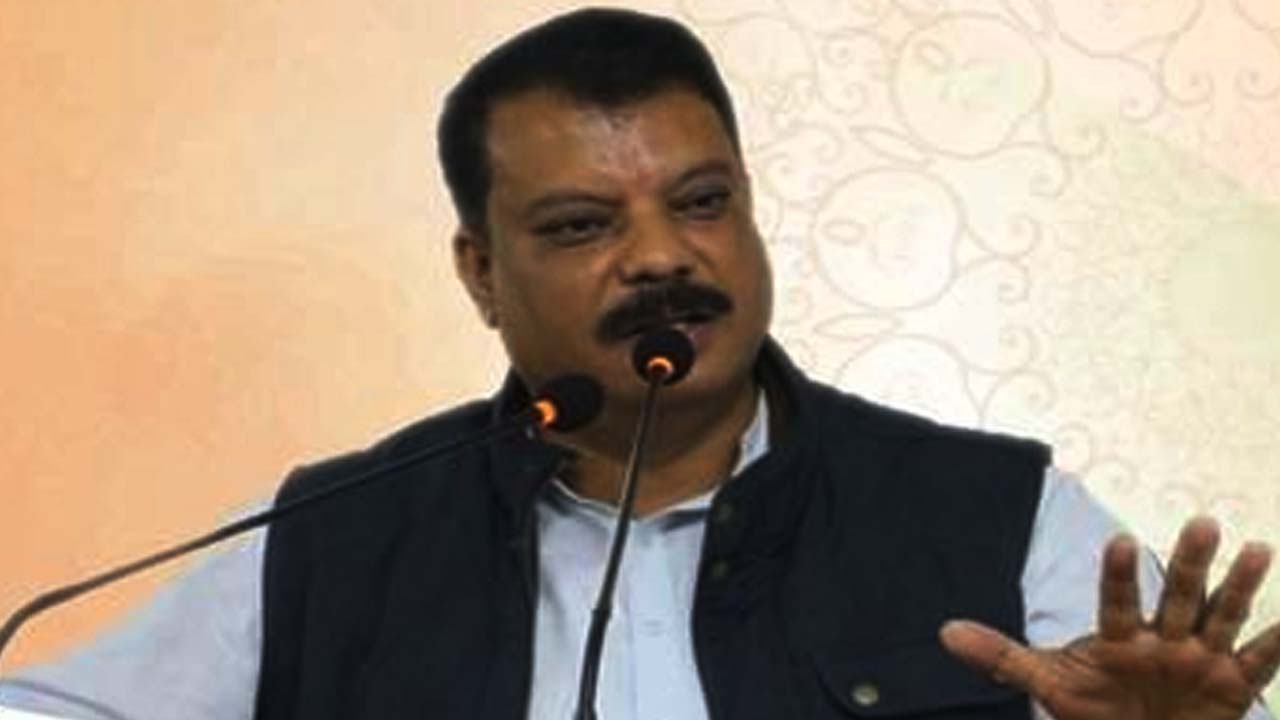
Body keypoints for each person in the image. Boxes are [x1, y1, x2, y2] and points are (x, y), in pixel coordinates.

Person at [2, 7, 1277, 720]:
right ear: (480, 275)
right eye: (581, 226)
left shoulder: (993, 512)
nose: (662, 257)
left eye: (702, 202)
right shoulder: (334, 539)